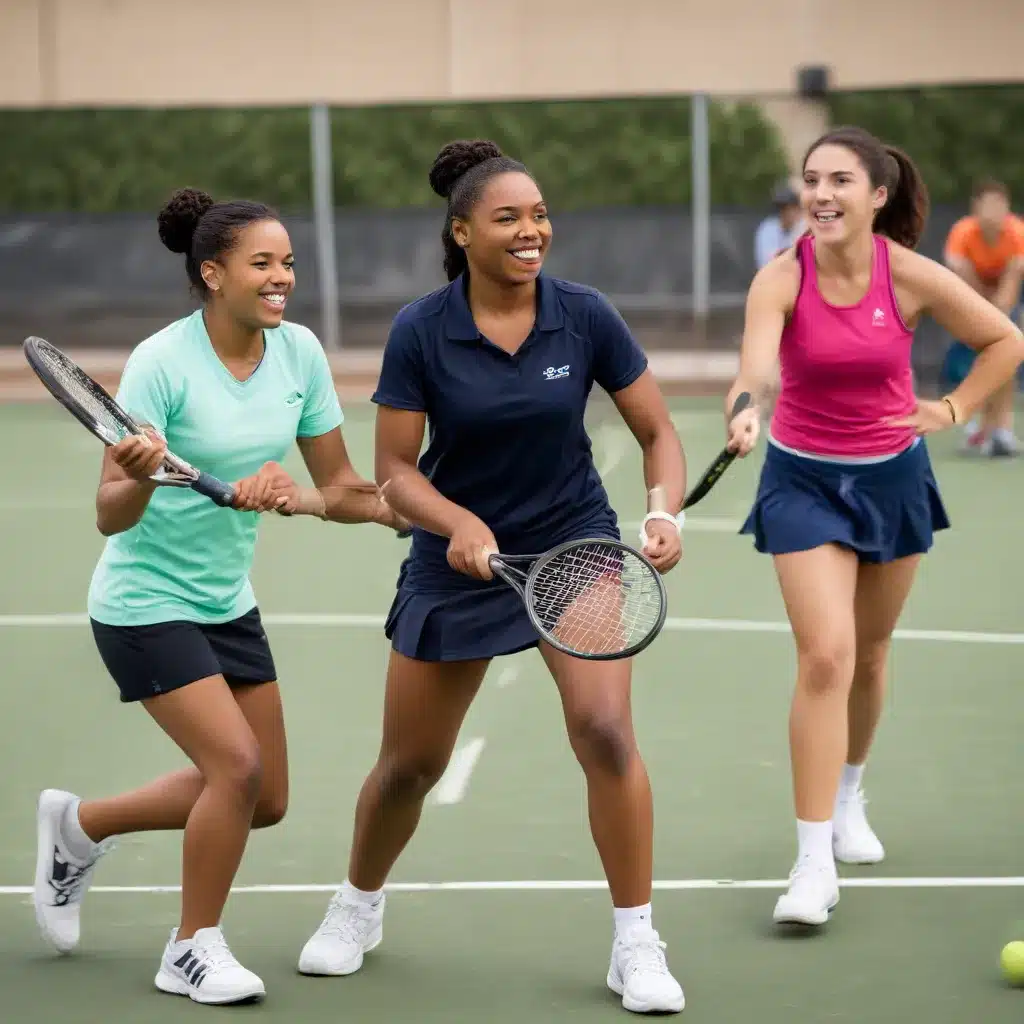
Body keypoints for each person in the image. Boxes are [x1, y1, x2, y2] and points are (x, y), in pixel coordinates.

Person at [294, 140, 687, 1014]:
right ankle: (357, 905)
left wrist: (664, 511)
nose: (531, 230)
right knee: (410, 766)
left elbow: (658, 430)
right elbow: (393, 468)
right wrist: (458, 523)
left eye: (539, 214)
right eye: (508, 217)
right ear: (462, 230)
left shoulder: (583, 316)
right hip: (454, 561)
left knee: (606, 732)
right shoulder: (421, 329)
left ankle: (636, 942)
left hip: (573, 545)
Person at [32, 187, 406, 1004]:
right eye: (262, 265)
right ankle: (191, 947)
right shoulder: (163, 362)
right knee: (233, 767)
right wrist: (135, 475)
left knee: (263, 796)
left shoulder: (299, 353)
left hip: (223, 597)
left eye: (288, 264)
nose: (282, 279)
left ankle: (80, 826)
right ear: (213, 273)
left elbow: (339, 486)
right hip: (142, 599)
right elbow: (109, 514)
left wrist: (405, 514)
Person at [723, 126, 1024, 928]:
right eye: (812, 179)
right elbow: (755, 369)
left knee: (870, 654)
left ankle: (850, 792)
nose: (821, 194)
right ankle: (813, 861)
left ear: (877, 195)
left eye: (840, 180)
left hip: (892, 480)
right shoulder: (780, 280)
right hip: (801, 480)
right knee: (826, 654)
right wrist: (746, 412)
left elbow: (1005, 339)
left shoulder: (914, 276)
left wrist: (953, 409)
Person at [941, 179, 1024, 455]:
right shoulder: (962, 233)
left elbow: (1010, 287)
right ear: (975, 208)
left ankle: (1000, 429)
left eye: (998, 206)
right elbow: (963, 281)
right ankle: (982, 427)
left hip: (1005, 298)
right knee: (985, 357)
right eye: (987, 205)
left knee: (1007, 353)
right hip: (971, 296)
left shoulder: (1016, 233)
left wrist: (1002, 332)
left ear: (1007, 208)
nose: (992, 212)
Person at [754, 183, 806, 270]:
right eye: (783, 207)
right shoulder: (768, 228)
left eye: (792, 207)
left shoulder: (804, 227)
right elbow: (767, 263)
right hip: (774, 279)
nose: (787, 212)